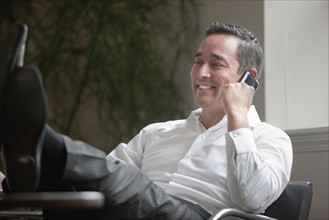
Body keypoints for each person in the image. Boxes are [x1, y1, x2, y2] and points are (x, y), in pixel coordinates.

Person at [0, 21, 293, 220]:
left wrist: (238, 117)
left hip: (199, 215)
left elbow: (253, 200)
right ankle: (25, 164)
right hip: (134, 208)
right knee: (79, 188)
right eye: (197, 61)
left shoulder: (269, 138)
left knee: (127, 182)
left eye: (215, 64)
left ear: (248, 78)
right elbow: (97, 176)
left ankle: (38, 137)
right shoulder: (158, 132)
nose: (201, 73)